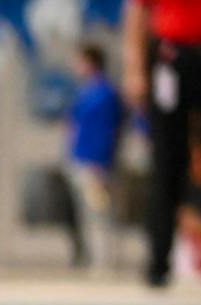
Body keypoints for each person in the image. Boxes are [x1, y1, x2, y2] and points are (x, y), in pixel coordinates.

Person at [123, 0, 201, 286]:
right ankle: (158, 261)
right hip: (172, 54)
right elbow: (137, 12)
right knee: (167, 161)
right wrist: (135, 69)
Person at [64, 42, 125, 270]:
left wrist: (99, 159)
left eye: (79, 61)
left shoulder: (104, 94)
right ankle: (93, 257)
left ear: (90, 62)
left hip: (95, 162)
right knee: (86, 214)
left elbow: (106, 130)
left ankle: (105, 260)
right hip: (80, 159)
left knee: (99, 211)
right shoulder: (84, 91)